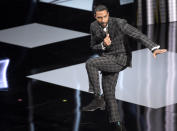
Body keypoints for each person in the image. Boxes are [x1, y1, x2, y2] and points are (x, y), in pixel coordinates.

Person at [81, 4, 167, 131]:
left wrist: (153, 47)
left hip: (121, 58)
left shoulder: (119, 23)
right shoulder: (93, 26)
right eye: (100, 18)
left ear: (108, 15)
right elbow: (93, 46)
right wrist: (103, 45)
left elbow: (137, 34)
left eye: (105, 17)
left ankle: (97, 98)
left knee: (90, 63)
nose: (103, 20)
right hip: (107, 59)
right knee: (109, 93)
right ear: (95, 17)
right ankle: (118, 125)